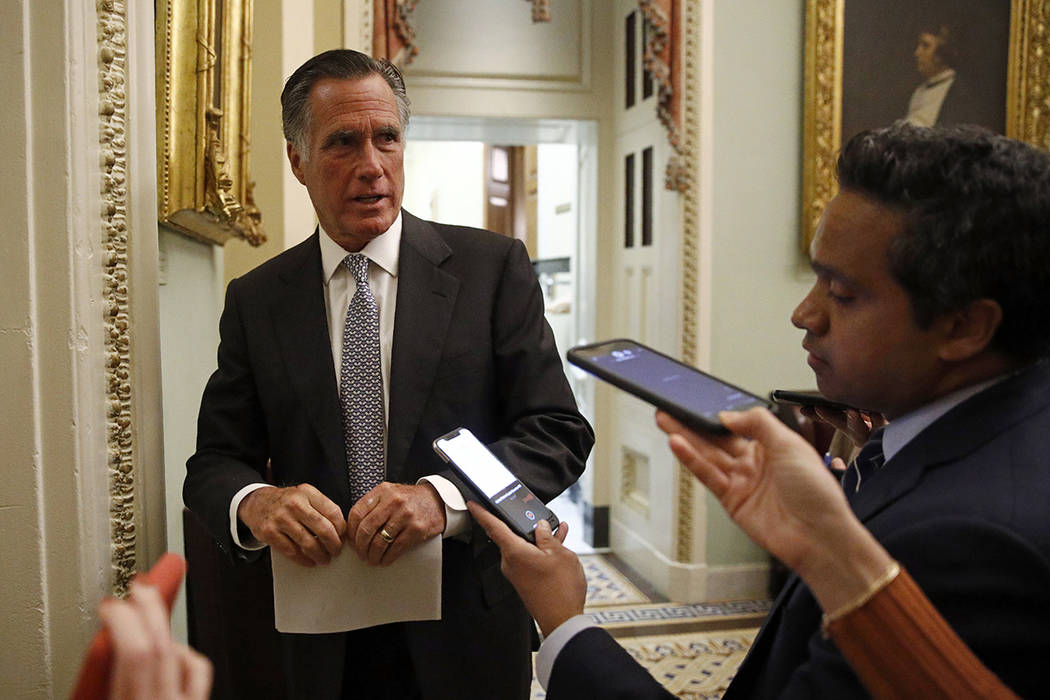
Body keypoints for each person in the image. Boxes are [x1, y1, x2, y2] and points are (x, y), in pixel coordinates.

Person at [473, 123, 1050, 698]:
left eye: (842, 293)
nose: (804, 313)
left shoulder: (963, 546)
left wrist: (565, 623)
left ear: (964, 327)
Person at [183, 49, 593, 700]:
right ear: (298, 160)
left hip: (467, 622)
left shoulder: (491, 270)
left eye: (387, 138)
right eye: (343, 142)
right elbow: (213, 464)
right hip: (320, 637)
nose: (372, 165)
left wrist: (441, 498)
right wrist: (256, 503)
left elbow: (556, 432)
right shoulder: (257, 300)